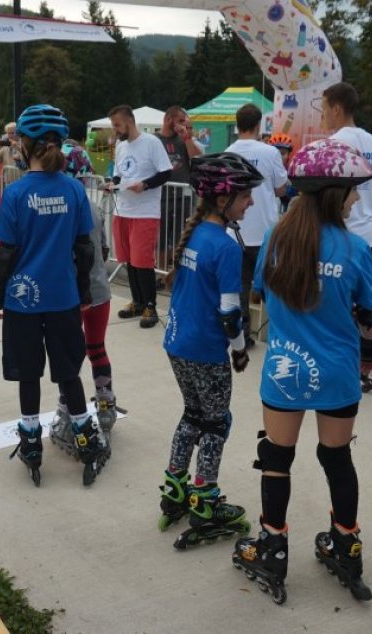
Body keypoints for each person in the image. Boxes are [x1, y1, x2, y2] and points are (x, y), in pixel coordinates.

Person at [231, 139, 372, 605]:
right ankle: (347, 545)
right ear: (334, 194)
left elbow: (256, 296)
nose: (357, 198)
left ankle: (272, 547)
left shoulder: (276, 238)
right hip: (338, 371)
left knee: (277, 457)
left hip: (286, 369)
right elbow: (370, 313)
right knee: (337, 459)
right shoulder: (356, 248)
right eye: (353, 191)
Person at [0, 104, 105, 487]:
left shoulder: (16, 193)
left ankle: (32, 441)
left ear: (24, 145)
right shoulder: (74, 189)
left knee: (28, 373)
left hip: (23, 300)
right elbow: (85, 248)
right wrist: (85, 292)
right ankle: (87, 440)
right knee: (68, 372)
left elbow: (6, 252)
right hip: (64, 299)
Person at [157, 152, 260, 549]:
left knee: (193, 415)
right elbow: (231, 312)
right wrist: (239, 350)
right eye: (245, 196)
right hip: (205, 349)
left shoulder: (197, 232)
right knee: (217, 424)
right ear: (223, 200)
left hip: (178, 342)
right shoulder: (227, 246)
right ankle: (205, 503)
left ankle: (175, 487)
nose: (250, 202)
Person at [50, 139, 119, 453]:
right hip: (99, 291)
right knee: (96, 349)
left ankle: (68, 411)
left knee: (68, 356)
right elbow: (103, 249)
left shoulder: (58, 206)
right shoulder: (91, 206)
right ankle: (105, 405)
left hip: (71, 294)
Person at [224, 103, 289, 348]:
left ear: (238, 124)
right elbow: (281, 188)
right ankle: (276, 337)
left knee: (238, 286)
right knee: (271, 287)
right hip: (265, 231)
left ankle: (242, 335)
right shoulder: (270, 152)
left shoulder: (229, 151)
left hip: (236, 230)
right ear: (258, 124)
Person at [107, 104, 173, 328]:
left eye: (117, 125)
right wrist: (112, 184)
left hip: (145, 212)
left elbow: (166, 172)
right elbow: (118, 175)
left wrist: (144, 185)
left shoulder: (151, 142)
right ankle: (137, 301)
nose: (115, 130)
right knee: (128, 259)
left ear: (129, 121)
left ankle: (150, 306)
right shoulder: (121, 145)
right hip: (122, 209)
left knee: (142, 260)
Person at [321, 82, 372, 264]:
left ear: (336, 109)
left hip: (339, 237)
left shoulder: (332, 144)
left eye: (324, 108)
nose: (323, 115)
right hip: (367, 238)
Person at [155, 106, 203, 275]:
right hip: (161, 197)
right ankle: (160, 274)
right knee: (160, 238)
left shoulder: (184, 139)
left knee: (181, 236)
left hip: (183, 196)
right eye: (181, 121)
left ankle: (177, 273)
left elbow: (197, 158)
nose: (185, 124)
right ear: (169, 120)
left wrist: (187, 138)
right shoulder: (155, 140)